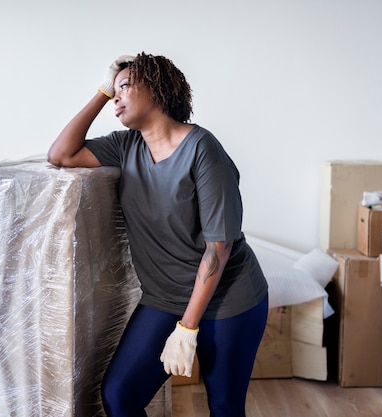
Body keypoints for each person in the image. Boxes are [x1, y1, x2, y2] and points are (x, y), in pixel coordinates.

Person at [47, 52, 268, 417]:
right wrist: (103, 89)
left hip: (229, 297)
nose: (116, 99)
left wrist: (187, 328)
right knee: (120, 396)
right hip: (164, 297)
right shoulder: (125, 146)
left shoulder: (202, 149)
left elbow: (219, 246)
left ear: (156, 88)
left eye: (125, 87)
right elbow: (61, 154)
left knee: (225, 407)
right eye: (113, 91)